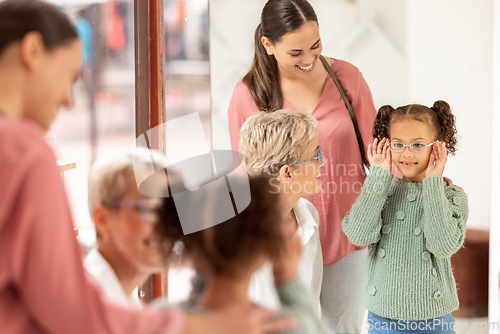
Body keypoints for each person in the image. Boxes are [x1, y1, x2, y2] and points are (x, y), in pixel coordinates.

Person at [0, 1, 296, 333]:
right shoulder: (23, 150)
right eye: (69, 76)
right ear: (33, 50)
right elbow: (71, 312)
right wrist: (199, 326)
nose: (69, 100)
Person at [227, 0, 377, 331]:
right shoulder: (247, 95)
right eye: (295, 53)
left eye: (315, 45)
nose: (308, 59)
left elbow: (379, 159)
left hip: (347, 238)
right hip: (283, 240)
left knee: (343, 328)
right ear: (268, 44)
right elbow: (245, 176)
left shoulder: (347, 79)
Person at [342, 101, 468, 333]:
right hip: (382, 317)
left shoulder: (452, 196)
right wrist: (379, 175)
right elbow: (358, 235)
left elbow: (442, 246)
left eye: (418, 144)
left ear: (438, 147)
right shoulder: (382, 190)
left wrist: (432, 184)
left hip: (434, 318)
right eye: (398, 144)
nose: (407, 153)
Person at [154, 175, 332, 334]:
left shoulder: (161, 320)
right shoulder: (282, 326)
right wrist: (287, 280)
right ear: (266, 251)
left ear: (189, 244)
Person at [238, 109, 323, 312]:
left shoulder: (309, 215)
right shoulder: (241, 235)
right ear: (287, 173)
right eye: (315, 155)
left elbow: (312, 302)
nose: (322, 163)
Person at [85, 149, 171, 307]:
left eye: (170, 211)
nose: (167, 225)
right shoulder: (86, 303)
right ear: (102, 219)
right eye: (151, 208)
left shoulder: (126, 303)